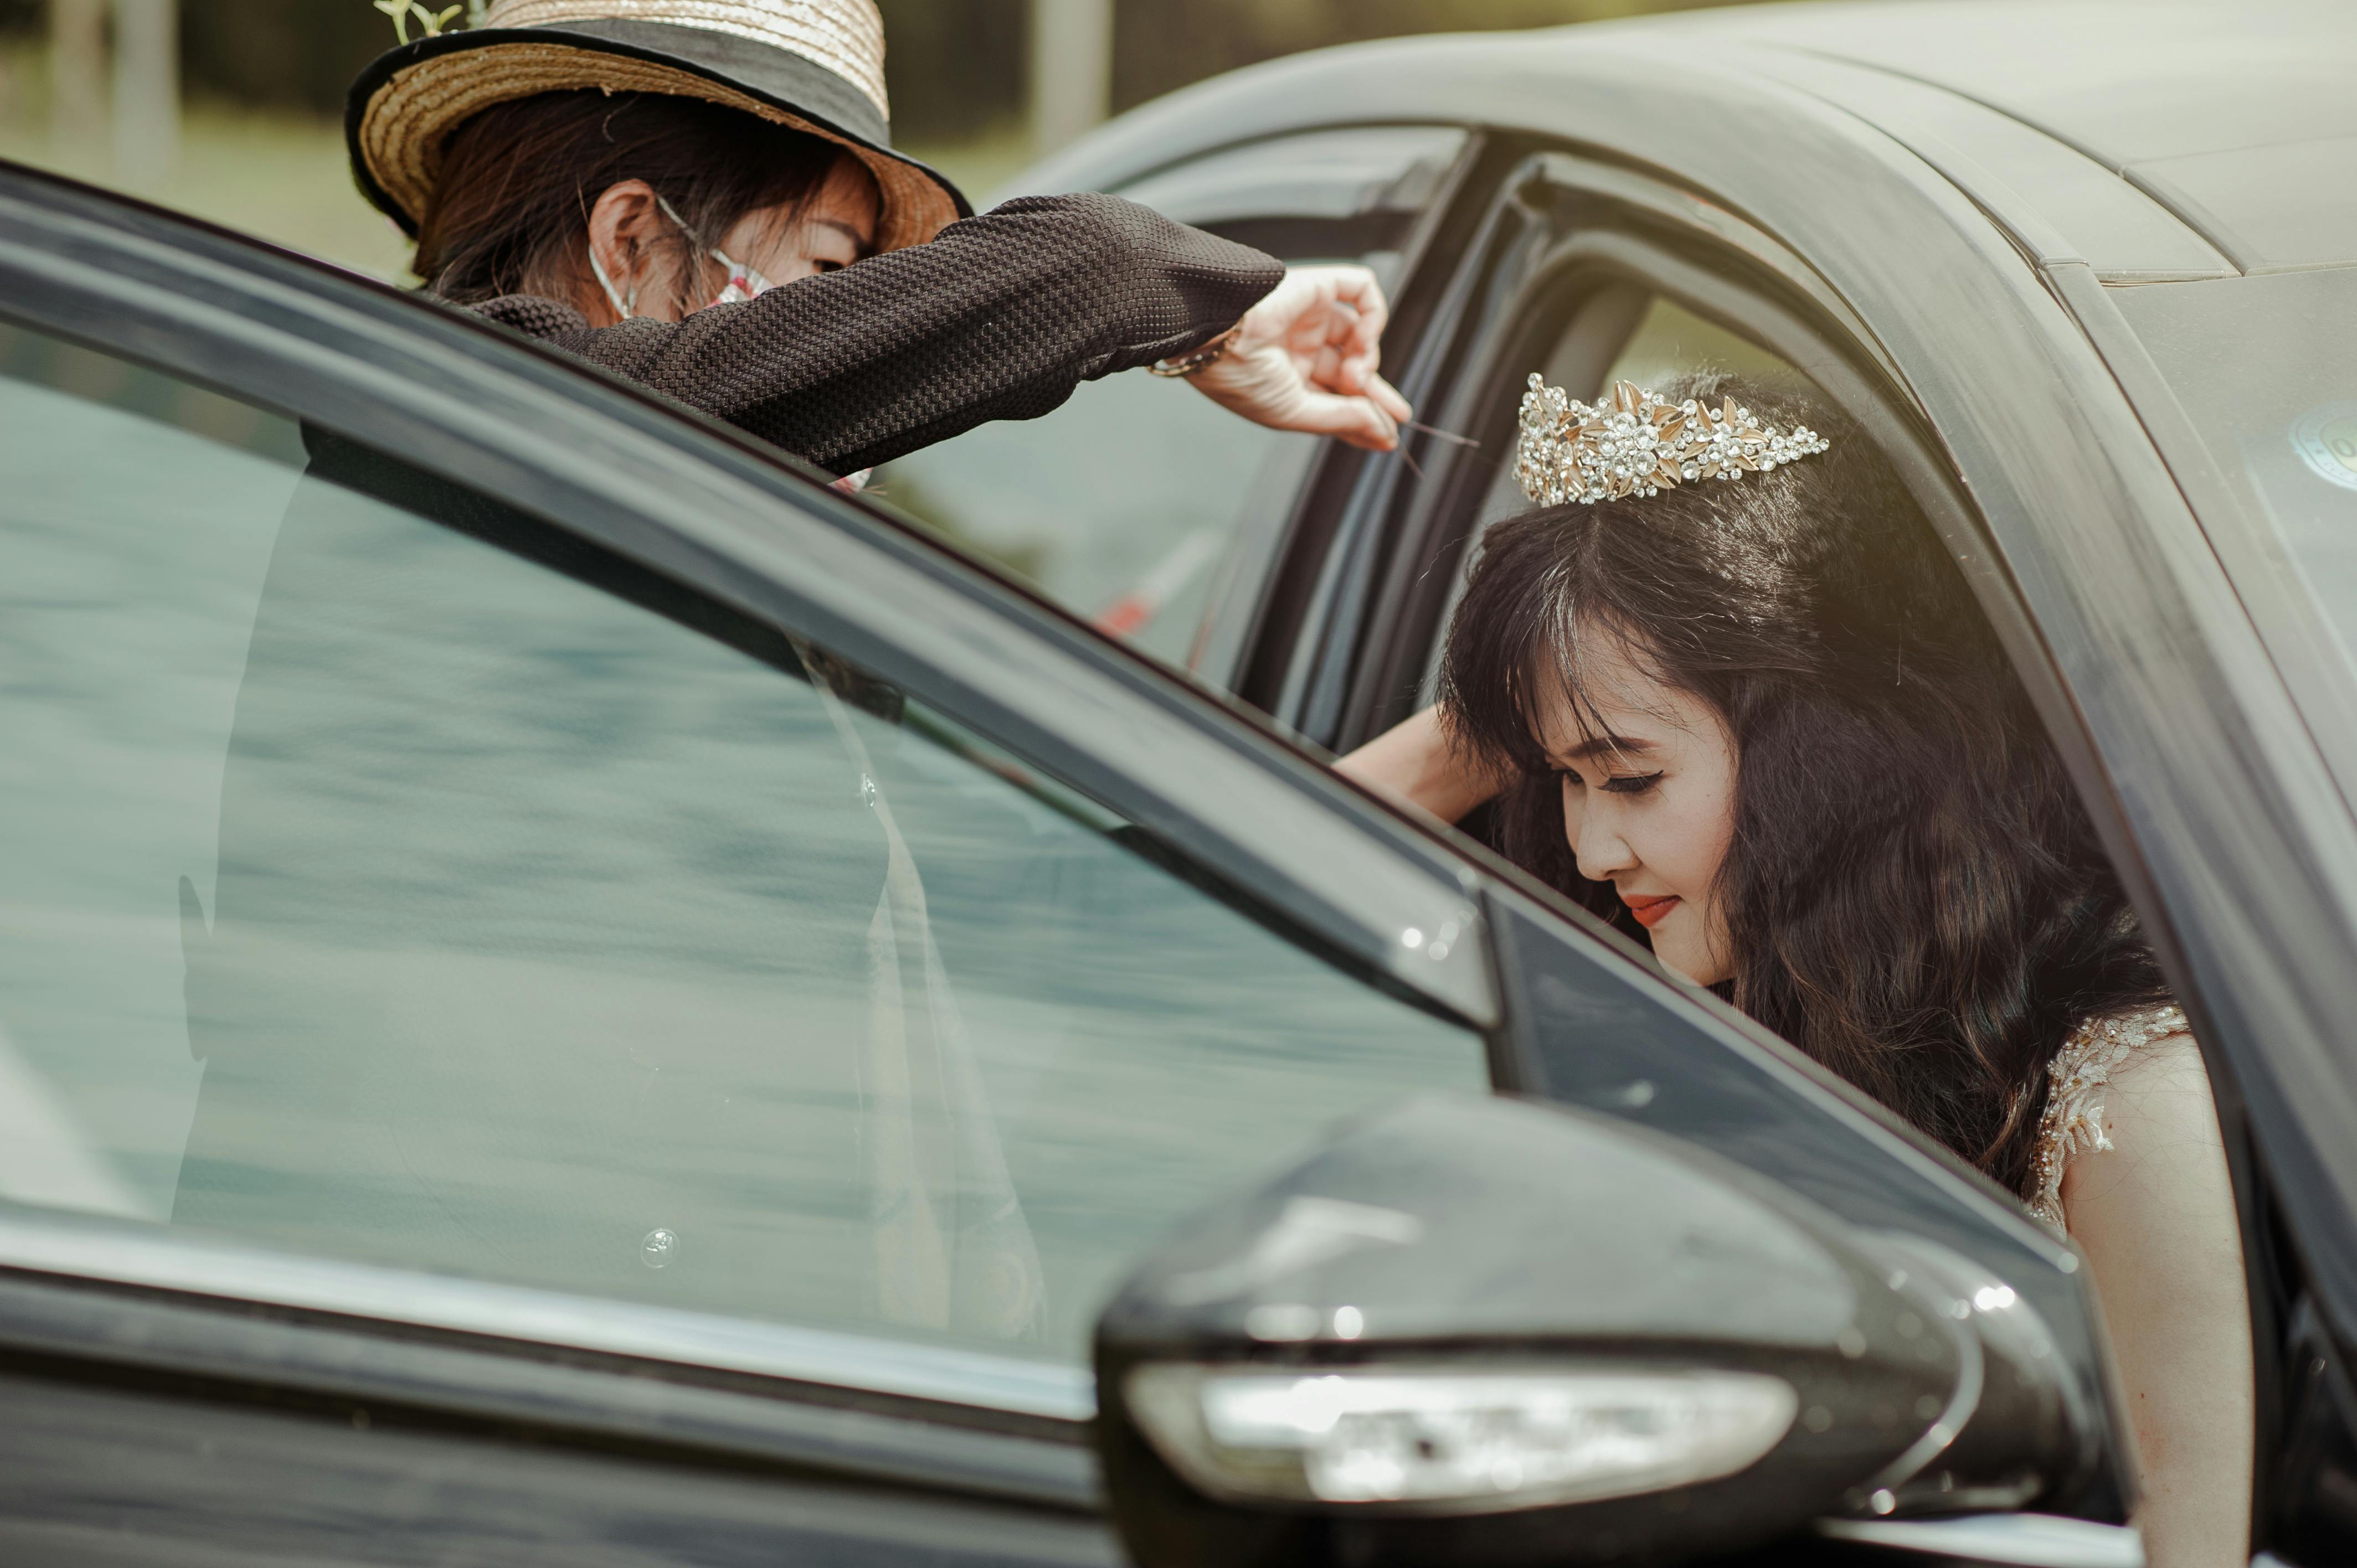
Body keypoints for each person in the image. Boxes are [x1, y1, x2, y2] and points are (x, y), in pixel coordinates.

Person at [1341, 371, 2255, 1567]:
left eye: (1626, 779)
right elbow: (1228, 893)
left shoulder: (2124, 1099)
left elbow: (2191, 1544)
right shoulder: (1695, 973)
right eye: (1555, 777)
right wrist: (1511, 701)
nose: (1585, 845)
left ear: (1821, 753)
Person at [346, 0, 1411, 478]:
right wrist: (1217, 324)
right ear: (630, 238)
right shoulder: (478, 406)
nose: (843, 316)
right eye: (826, 270)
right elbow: (1102, 267)